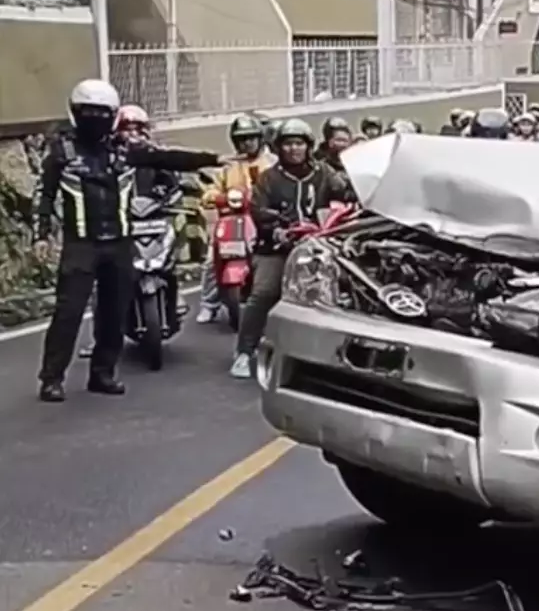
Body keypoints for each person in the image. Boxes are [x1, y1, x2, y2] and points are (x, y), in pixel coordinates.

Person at [34, 80, 218, 403]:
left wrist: (211, 158)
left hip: (120, 243)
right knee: (68, 313)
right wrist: (41, 235)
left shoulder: (124, 150)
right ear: (75, 113)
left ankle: (103, 374)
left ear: (113, 115)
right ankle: (51, 378)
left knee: (114, 312)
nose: (95, 119)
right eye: (88, 112)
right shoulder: (62, 152)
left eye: (102, 113)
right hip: (81, 244)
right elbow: (44, 195)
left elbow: (167, 158)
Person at [230, 118, 346, 379]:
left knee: (341, 294)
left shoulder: (324, 173)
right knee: (264, 293)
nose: (294, 149)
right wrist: (277, 229)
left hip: (318, 245)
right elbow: (258, 210)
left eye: (299, 143)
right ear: (279, 148)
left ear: (309, 146)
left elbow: (345, 193)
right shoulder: (269, 178)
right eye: (288, 144)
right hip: (276, 247)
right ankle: (244, 352)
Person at [197, 114, 275, 323]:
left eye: (251, 137)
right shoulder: (228, 165)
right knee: (211, 259)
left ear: (260, 139)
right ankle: (208, 304)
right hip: (232, 219)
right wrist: (213, 196)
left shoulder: (271, 163)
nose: (247, 143)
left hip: (261, 219)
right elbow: (212, 189)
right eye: (242, 139)